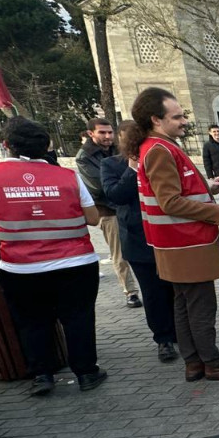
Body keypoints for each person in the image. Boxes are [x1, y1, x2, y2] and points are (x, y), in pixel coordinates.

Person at [0, 117, 107, 396]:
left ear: (6, 144)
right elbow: (93, 218)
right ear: (46, 146)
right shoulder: (67, 176)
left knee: (32, 321)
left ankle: (42, 375)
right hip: (74, 262)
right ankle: (86, 373)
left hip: (20, 266)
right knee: (78, 318)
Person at [127, 87, 219, 382]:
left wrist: (208, 189)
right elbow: (169, 201)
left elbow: (176, 193)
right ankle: (213, 363)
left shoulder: (158, 147)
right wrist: (217, 212)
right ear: (157, 119)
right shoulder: (159, 150)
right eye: (178, 116)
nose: (184, 121)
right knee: (200, 306)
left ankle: (194, 362)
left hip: (176, 244)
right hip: (186, 244)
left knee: (183, 304)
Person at [100, 120, 179, 362]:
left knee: (174, 290)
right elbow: (115, 196)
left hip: (167, 236)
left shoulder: (158, 158)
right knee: (153, 292)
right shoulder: (111, 165)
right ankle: (163, 339)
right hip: (138, 239)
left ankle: (181, 333)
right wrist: (132, 169)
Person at [76, 118, 140, 309]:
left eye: (110, 132)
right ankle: (131, 291)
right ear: (91, 134)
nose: (107, 136)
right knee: (119, 252)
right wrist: (125, 181)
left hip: (131, 205)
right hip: (109, 210)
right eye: (102, 133)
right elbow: (101, 186)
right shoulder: (84, 156)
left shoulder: (118, 149)